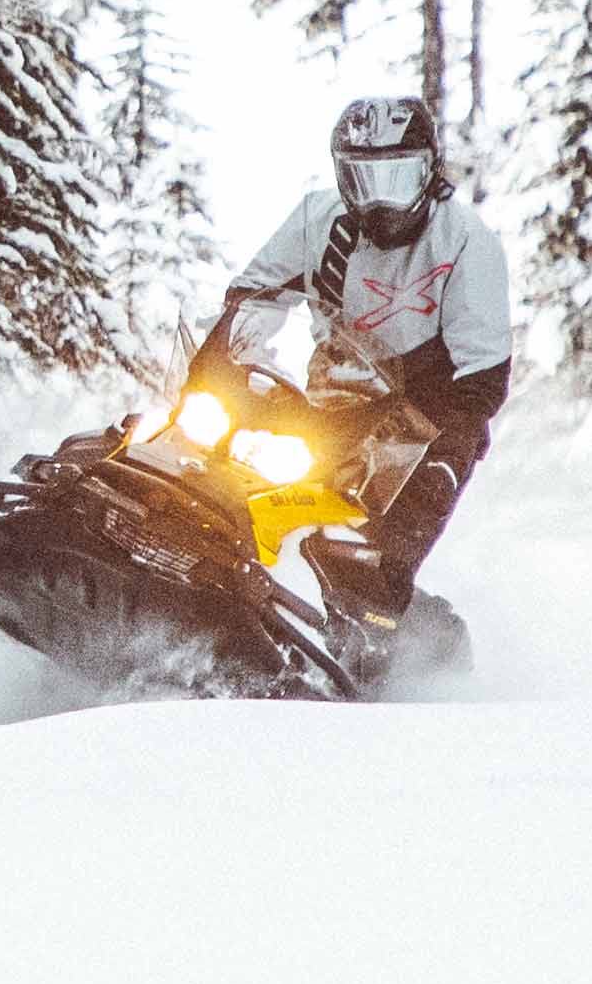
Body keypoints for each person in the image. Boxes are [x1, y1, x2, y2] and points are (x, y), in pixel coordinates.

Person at [192, 95, 511, 624]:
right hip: (333, 386)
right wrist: (223, 367)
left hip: (426, 415)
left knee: (385, 524)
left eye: (399, 180)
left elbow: (481, 376)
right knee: (213, 438)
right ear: (342, 178)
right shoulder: (319, 221)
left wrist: (435, 440)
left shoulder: (465, 243)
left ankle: (372, 622)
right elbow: (255, 295)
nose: (381, 203)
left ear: (429, 172)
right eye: (365, 181)